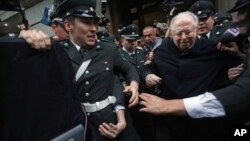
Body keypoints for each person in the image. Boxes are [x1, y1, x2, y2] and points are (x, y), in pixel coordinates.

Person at [19, 0, 140, 140]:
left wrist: (134, 85)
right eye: (87, 22)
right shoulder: (56, 52)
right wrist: (24, 39)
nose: (94, 28)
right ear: (68, 25)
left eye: (95, 23)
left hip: (114, 117)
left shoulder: (109, 49)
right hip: (83, 124)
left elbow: (129, 68)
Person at [139, 0, 250, 125]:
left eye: (188, 32)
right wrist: (147, 75)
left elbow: (240, 76)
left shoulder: (215, 49)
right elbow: (146, 67)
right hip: (175, 123)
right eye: (179, 33)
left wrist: (239, 58)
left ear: (195, 30)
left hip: (207, 121)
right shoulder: (162, 51)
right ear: (172, 34)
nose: (184, 37)